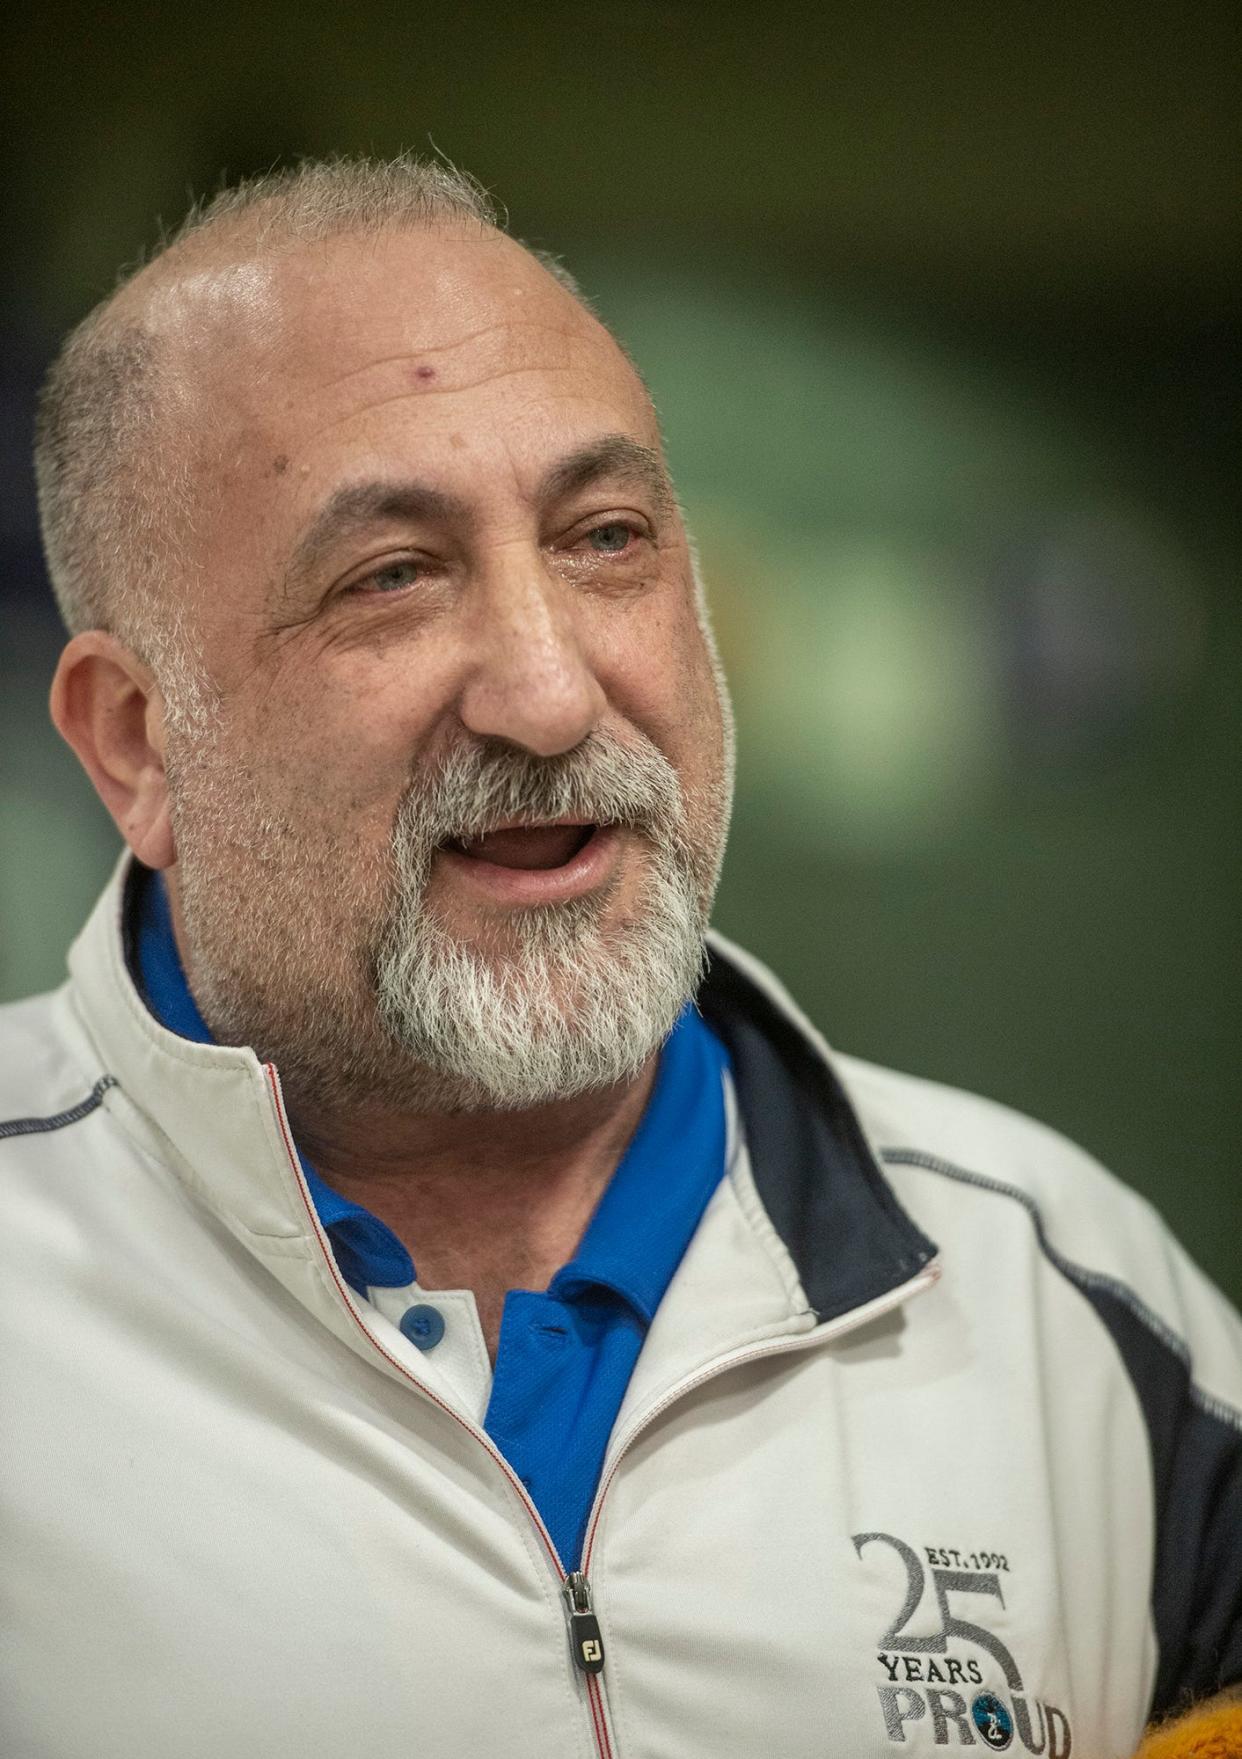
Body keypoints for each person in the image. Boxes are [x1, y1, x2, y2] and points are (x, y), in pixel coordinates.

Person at [2, 154, 1239, 1759]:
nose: (549, 692)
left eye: (603, 540)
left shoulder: (1075, 1304)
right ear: (136, 742)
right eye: (391, 576)